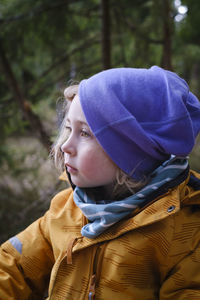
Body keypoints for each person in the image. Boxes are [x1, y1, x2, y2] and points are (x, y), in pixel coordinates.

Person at [1, 66, 200, 300]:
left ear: (132, 153)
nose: (66, 146)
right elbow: (13, 267)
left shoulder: (183, 232)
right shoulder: (67, 209)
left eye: (84, 133)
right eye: (68, 129)